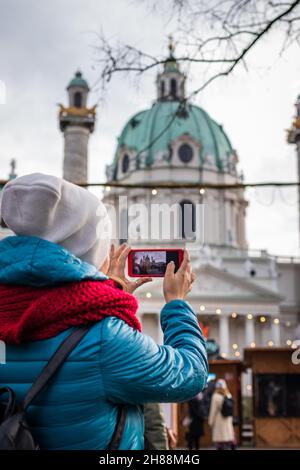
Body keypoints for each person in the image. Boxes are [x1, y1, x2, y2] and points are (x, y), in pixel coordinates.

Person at [0, 173, 208, 450]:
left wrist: (107, 297)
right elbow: (190, 374)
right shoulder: (105, 338)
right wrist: (177, 304)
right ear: (90, 248)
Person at [208, 379, 235, 450]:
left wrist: (210, 422)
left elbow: (213, 410)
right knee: (227, 440)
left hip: (219, 420)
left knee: (220, 442)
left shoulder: (215, 396)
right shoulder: (228, 395)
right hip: (228, 420)